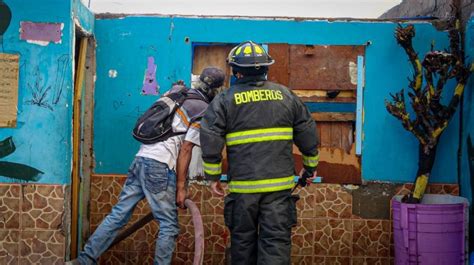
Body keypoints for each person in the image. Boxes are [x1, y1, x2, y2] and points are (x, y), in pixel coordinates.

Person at [68, 67, 225, 265]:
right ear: (217, 90)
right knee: (169, 225)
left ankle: (84, 261)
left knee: (118, 215)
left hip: (141, 159)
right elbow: (186, 149)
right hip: (159, 165)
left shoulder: (178, 94)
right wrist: (181, 187)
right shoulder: (201, 108)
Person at [200, 41, 319, 265]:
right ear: (266, 68)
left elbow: (210, 139)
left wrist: (213, 178)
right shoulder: (286, 96)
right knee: (275, 244)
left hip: (243, 191)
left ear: (236, 71)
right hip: (279, 190)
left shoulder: (224, 100)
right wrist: (310, 167)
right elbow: (307, 133)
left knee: (242, 244)